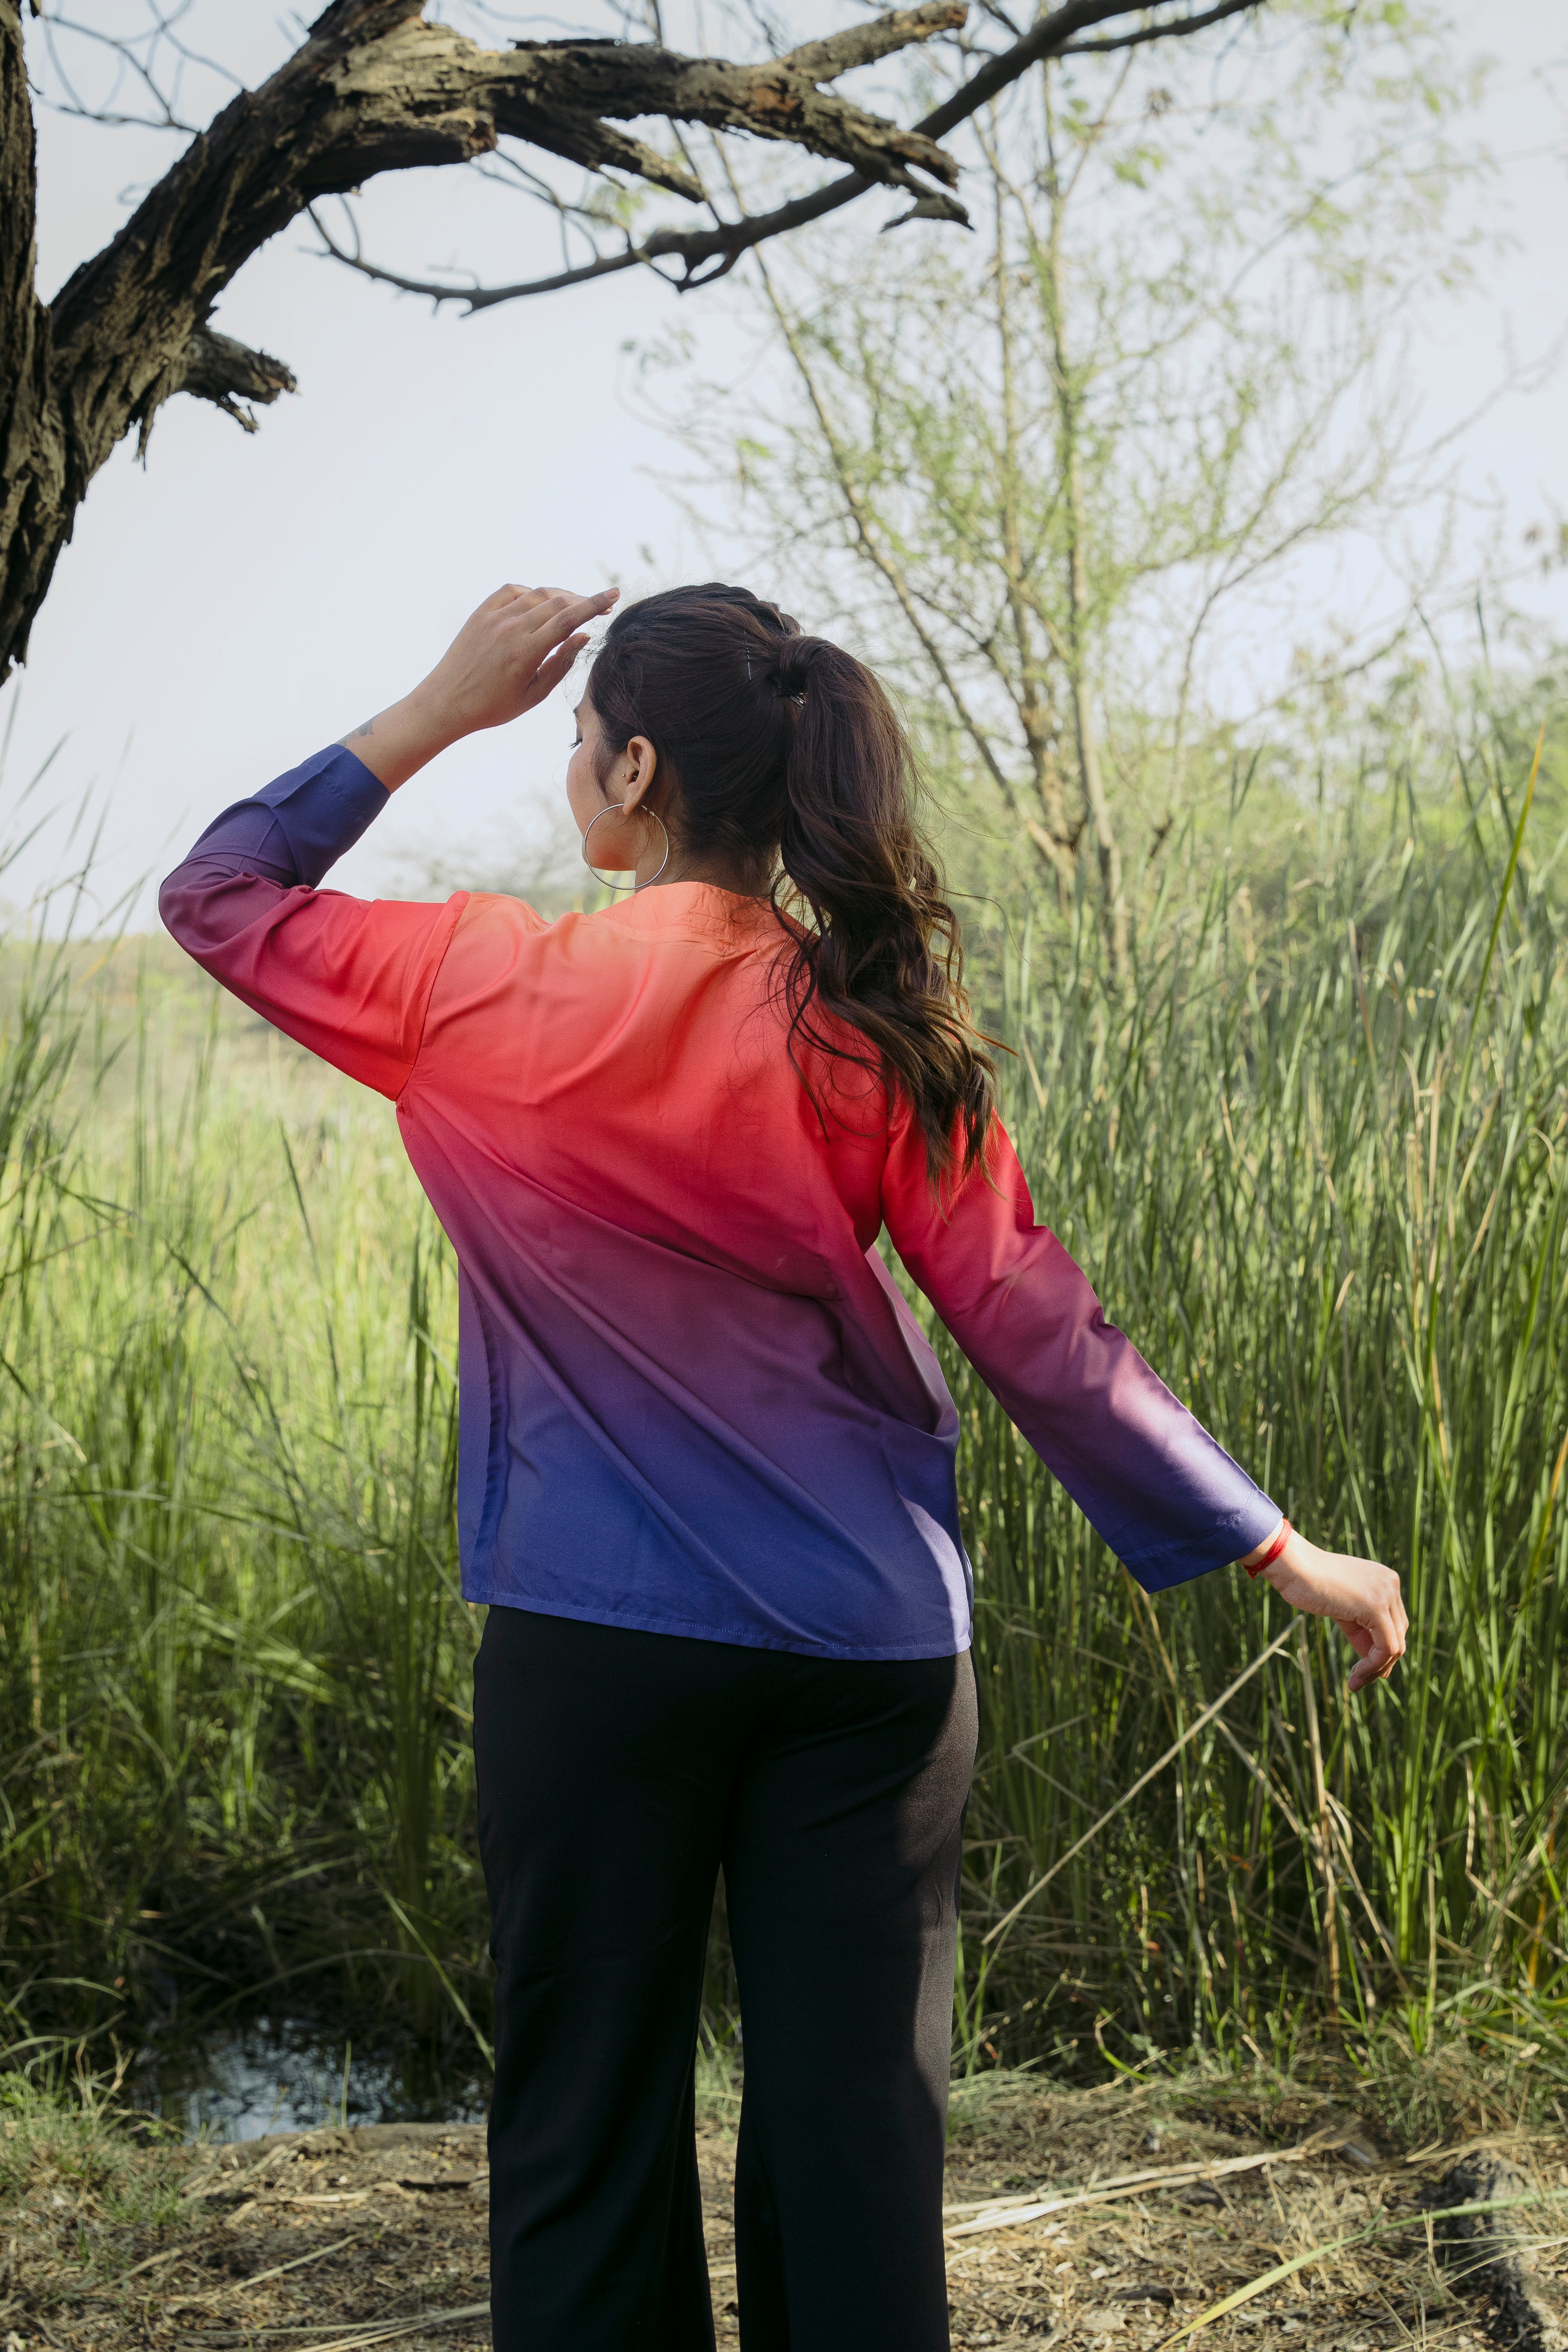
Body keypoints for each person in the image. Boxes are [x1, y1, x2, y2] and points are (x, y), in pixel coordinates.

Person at [160, 580, 1407, 2352]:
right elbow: (1037, 1323)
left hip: (597, 1654)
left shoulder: (469, 982)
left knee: (584, 2138)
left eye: (581, 741)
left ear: (635, 764)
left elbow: (215, 895)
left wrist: (438, 705)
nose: (570, 768)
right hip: (871, 1663)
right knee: (855, 2158)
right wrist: (1281, 1547)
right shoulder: (865, 1026)